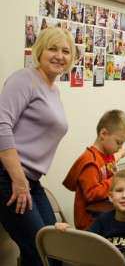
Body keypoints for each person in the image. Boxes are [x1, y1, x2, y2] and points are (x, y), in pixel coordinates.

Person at [0, 27, 75, 266]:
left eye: (65, 51)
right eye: (52, 48)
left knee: (53, 251)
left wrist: (26, 182)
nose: (59, 56)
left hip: (31, 180)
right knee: (39, 252)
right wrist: (18, 180)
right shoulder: (25, 79)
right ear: (39, 51)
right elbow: (1, 124)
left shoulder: (53, 89)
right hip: (9, 177)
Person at [56, 169, 125, 266]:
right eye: (119, 190)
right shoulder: (103, 220)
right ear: (110, 196)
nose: (124, 195)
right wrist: (67, 232)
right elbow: (84, 243)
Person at [62, 110, 125, 230]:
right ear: (103, 134)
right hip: (91, 223)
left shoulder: (107, 155)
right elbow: (92, 194)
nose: (120, 147)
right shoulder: (90, 161)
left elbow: (108, 178)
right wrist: (115, 180)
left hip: (104, 216)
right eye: (118, 142)